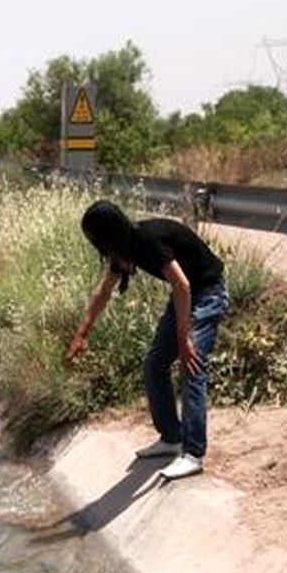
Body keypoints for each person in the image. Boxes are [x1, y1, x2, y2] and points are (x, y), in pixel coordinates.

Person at [64, 199, 229, 480]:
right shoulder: (124, 248)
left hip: (207, 293)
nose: (94, 244)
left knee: (192, 368)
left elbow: (183, 284)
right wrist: (81, 334)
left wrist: (183, 338)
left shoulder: (147, 240)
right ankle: (171, 437)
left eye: (94, 238)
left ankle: (193, 454)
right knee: (154, 365)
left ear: (106, 233)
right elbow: (102, 292)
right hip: (186, 297)